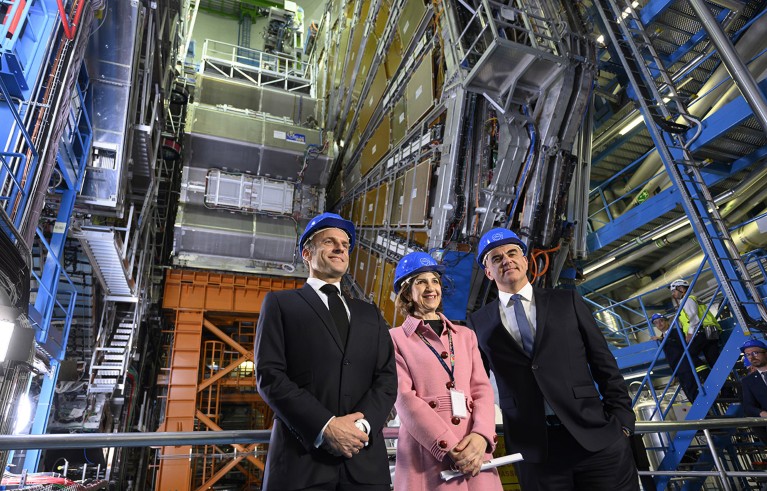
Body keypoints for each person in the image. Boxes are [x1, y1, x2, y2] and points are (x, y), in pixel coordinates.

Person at [467, 228, 639, 491]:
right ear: (488, 272)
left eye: (512, 253)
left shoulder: (566, 301)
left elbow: (603, 362)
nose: (506, 260)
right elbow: (475, 384)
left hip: (596, 439)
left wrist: (623, 422)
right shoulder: (478, 323)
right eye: (496, 258)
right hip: (535, 450)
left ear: (525, 261)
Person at [255, 212, 397, 491]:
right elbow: (270, 376)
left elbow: (387, 379)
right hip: (301, 466)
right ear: (307, 253)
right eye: (329, 241)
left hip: (364, 466)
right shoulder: (281, 304)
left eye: (345, 244)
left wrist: (362, 428)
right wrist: (326, 426)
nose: (340, 248)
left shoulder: (370, 314)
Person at [389, 252, 503, 491]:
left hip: (474, 449)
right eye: (421, 282)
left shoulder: (465, 335)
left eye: (434, 281)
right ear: (407, 292)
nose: (431, 288)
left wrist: (481, 437)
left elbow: (481, 389)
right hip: (427, 452)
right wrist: (451, 447)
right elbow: (404, 399)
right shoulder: (394, 339)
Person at [650, 313, 706, 401]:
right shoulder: (662, 338)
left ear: (666, 321)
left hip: (687, 367)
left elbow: (681, 344)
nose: (659, 324)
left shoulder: (677, 332)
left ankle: (706, 412)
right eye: (656, 322)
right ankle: (702, 413)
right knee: (689, 393)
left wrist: (663, 340)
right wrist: (675, 374)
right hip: (679, 370)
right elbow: (670, 357)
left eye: (661, 321)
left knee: (693, 391)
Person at [669, 279, 721, 369]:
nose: (673, 294)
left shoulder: (686, 300)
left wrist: (690, 333)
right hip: (710, 331)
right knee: (713, 359)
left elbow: (694, 318)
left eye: (674, 291)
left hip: (701, 332)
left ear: (681, 288)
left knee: (687, 357)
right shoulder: (692, 298)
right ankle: (724, 380)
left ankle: (705, 374)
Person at [739, 339, 767, 443]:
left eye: (755, 353)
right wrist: (763, 414)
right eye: (748, 354)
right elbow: (748, 406)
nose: (752, 357)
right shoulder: (747, 381)